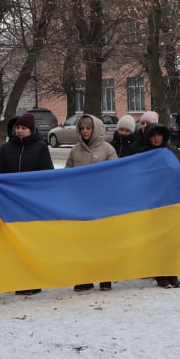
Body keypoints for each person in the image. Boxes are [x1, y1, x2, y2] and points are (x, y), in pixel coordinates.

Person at [0, 112, 53, 296]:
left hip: (32, 205)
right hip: (10, 204)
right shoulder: (6, 148)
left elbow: (47, 174)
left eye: (23, 128)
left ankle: (33, 280)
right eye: (17, 127)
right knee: (14, 243)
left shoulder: (41, 147)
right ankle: (17, 279)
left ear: (31, 129)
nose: (20, 131)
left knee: (32, 243)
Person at [66, 114, 119, 291]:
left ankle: (105, 277)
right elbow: (67, 175)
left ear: (95, 129)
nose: (85, 131)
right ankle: (85, 278)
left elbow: (114, 176)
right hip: (81, 204)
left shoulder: (108, 149)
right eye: (82, 128)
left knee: (103, 242)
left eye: (88, 128)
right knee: (83, 243)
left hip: (102, 204)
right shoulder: (75, 151)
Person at [138, 123, 180, 288]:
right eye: (153, 135)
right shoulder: (143, 155)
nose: (156, 138)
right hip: (152, 206)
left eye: (159, 134)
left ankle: (172, 272)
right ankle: (160, 274)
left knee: (173, 241)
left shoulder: (174, 153)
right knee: (157, 241)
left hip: (173, 204)